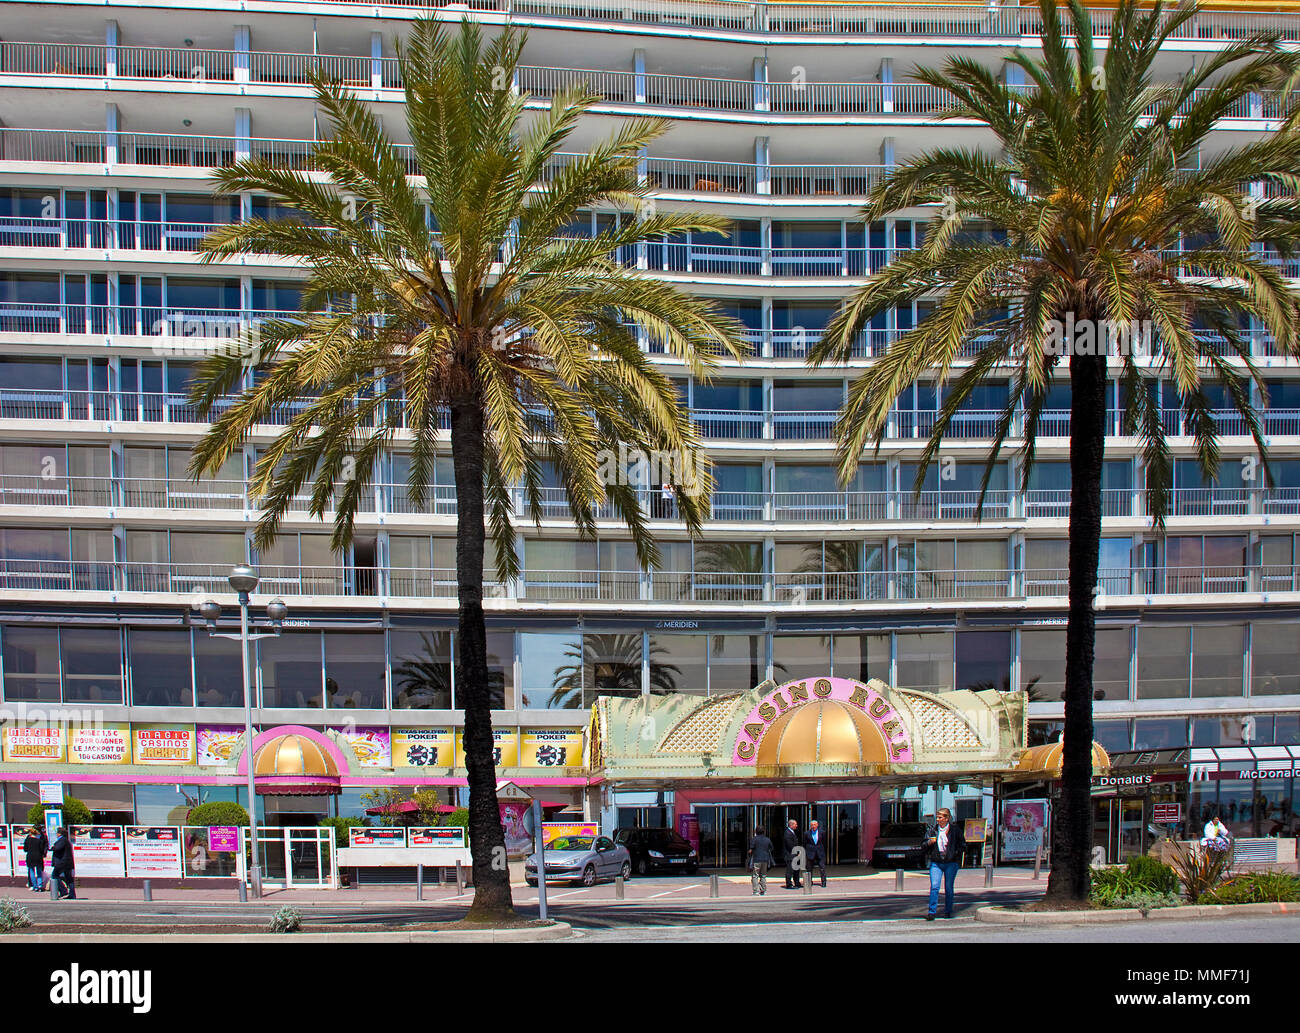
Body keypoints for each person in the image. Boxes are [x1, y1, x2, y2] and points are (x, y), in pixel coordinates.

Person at [924, 808, 964, 920]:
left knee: (948, 888)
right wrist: (929, 842)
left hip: (950, 862)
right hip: (936, 862)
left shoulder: (955, 830)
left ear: (947, 818)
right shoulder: (932, 830)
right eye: (937, 817)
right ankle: (932, 912)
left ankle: (948, 911)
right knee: (935, 887)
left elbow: (962, 844)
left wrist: (955, 854)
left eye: (940, 817)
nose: (938, 819)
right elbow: (923, 844)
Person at [747, 825, 774, 896]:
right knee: (763, 875)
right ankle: (763, 890)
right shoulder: (767, 839)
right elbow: (771, 848)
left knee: (755, 875)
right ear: (763, 831)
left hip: (756, 859)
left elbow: (751, 849)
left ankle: (755, 891)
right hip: (765, 859)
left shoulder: (754, 839)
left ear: (756, 831)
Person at [50, 826, 75, 900]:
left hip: (62, 862)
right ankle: (72, 894)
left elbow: (58, 848)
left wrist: (52, 848)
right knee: (69, 878)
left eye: (57, 833)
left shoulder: (62, 840)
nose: (56, 834)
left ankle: (63, 890)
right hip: (67, 862)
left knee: (54, 876)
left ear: (59, 834)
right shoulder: (65, 840)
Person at [22, 825, 46, 892]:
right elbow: (42, 849)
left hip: (30, 856)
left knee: (31, 871)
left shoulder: (28, 840)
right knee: (39, 872)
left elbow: (25, 849)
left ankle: (34, 886)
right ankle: (40, 886)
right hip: (38, 856)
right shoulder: (39, 841)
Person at [806, 819, 828, 887]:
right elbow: (805, 843)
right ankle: (809, 882)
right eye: (812, 825)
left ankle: (823, 882)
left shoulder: (822, 832)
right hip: (810, 853)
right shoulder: (806, 833)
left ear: (817, 825)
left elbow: (824, 842)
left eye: (814, 825)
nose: (813, 826)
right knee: (809, 869)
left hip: (820, 853)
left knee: (822, 868)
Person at [783, 818, 804, 889]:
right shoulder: (787, 833)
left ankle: (797, 882)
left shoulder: (792, 832)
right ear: (791, 825)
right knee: (790, 870)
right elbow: (790, 845)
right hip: (790, 855)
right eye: (795, 824)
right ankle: (789, 884)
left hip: (795, 855)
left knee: (796, 869)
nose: (796, 826)